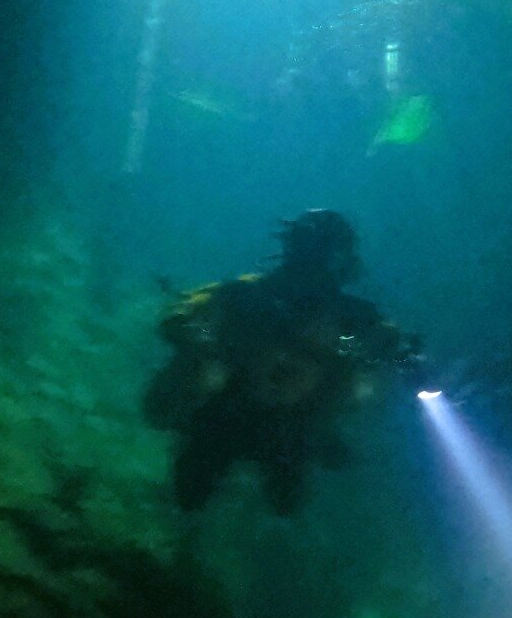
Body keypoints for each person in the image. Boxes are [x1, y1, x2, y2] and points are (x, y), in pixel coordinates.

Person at [143, 210, 420, 514]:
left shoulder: (250, 294)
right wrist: (199, 343)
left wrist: (407, 360)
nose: (311, 263)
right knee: (197, 496)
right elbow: (180, 316)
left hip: (287, 424)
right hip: (235, 414)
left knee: (280, 501)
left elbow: (392, 345)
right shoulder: (246, 294)